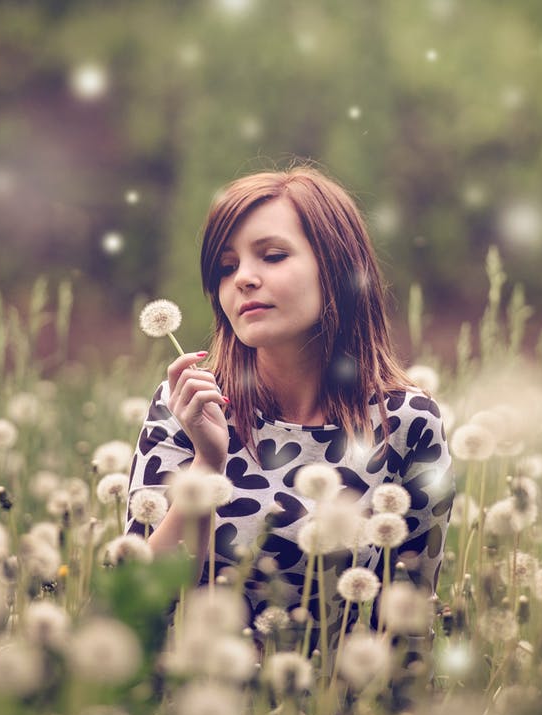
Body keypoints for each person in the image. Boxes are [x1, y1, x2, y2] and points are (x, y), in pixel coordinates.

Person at [126, 164, 453, 649]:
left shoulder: (408, 424)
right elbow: (137, 600)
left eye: (273, 256)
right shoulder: (190, 406)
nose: (244, 280)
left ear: (339, 267)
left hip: (335, 711)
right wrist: (207, 463)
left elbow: (408, 619)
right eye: (226, 267)